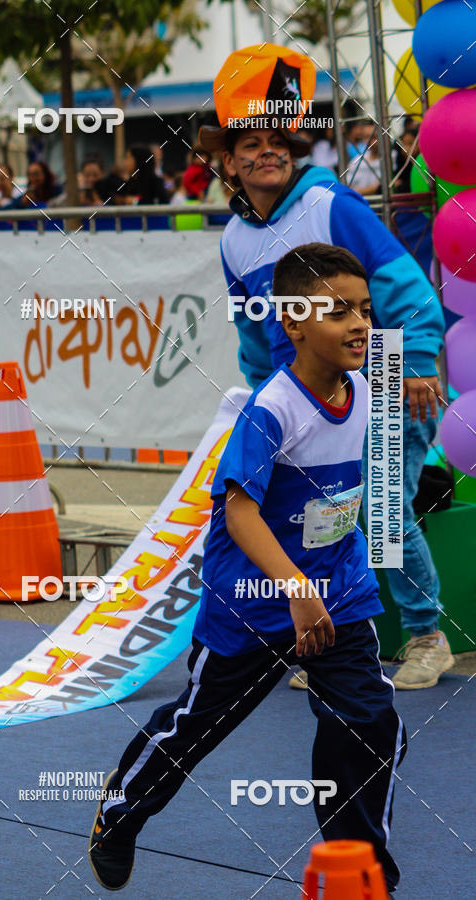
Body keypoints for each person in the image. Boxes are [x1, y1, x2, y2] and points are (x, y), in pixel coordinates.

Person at [88, 242, 407, 897]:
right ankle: (119, 813)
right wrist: (293, 590)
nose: (359, 325)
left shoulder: (367, 391)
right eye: (337, 310)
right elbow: (239, 513)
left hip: (338, 592)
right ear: (292, 324)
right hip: (255, 600)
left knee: (370, 722)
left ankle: (356, 862)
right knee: (197, 725)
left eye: (366, 311)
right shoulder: (274, 409)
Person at [198, 43, 450, 691]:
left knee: (386, 506)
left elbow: (404, 286)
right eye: (248, 144)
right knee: (322, 518)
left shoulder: (333, 204)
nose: (266, 152)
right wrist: (264, 407)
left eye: (277, 139)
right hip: (306, 401)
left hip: (389, 373)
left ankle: (428, 636)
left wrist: (418, 361)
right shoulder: (233, 240)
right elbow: (256, 334)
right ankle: (331, 646)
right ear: (226, 162)